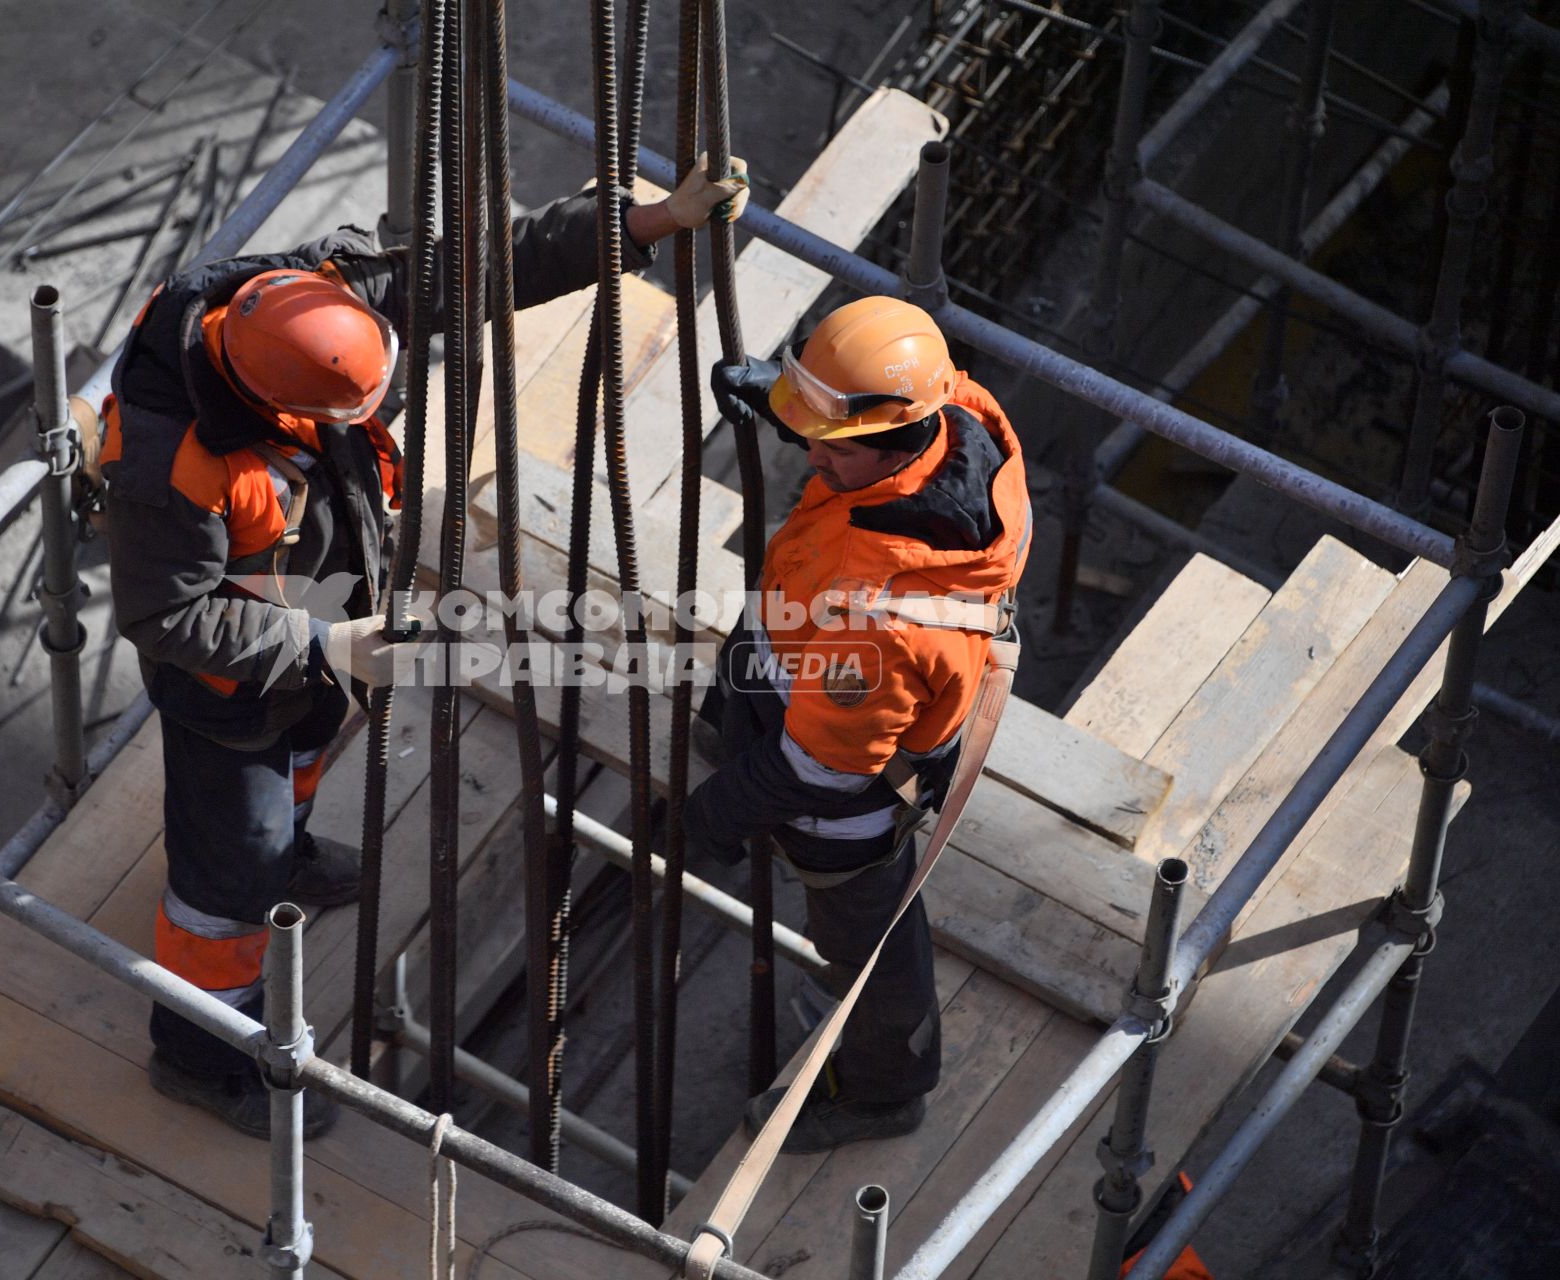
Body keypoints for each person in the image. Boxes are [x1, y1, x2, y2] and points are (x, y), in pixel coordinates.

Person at [97, 157, 751, 1139]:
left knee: (312, 743)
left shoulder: (321, 291)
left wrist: (650, 221)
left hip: (322, 607)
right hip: (230, 674)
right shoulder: (167, 461)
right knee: (222, 887)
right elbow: (169, 618)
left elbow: (487, 265)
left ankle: (288, 848)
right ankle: (203, 1057)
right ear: (284, 410)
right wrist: (326, 642)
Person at [688, 295, 1031, 1152]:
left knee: (865, 941)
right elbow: (869, 414)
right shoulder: (955, 411)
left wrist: (713, 815)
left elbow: (820, 772)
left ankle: (885, 1090)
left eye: (827, 445)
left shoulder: (880, 622)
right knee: (744, 712)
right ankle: (729, 737)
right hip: (791, 652)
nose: (809, 454)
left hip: (841, 794)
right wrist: (787, 397)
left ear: (890, 446)